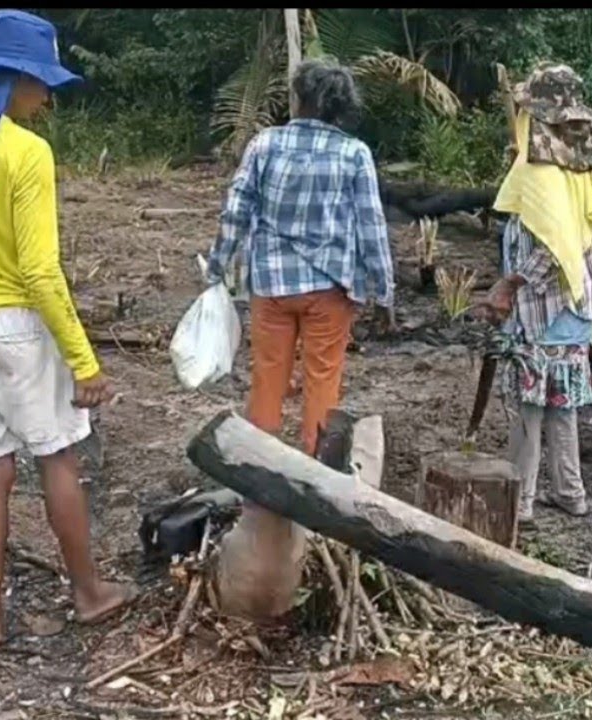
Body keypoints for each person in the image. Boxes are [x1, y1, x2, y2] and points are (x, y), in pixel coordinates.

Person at [0, 9, 136, 646]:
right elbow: (39, 270)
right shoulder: (26, 153)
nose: (48, 98)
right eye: (42, 84)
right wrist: (84, 361)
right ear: (11, 79)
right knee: (56, 456)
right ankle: (89, 593)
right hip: (16, 329)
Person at [205, 57, 395, 620]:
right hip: (330, 290)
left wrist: (218, 267)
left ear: (300, 99)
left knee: (266, 380)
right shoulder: (353, 154)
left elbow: (237, 209)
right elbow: (370, 225)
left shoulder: (265, 145)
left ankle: (256, 483)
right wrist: (383, 289)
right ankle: (315, 487)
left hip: (271, 286)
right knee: (322, 385)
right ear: (338, 105)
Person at [480, 62, 592, 524]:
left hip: (541, 308)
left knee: (529, 409)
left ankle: (521, 500)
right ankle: (570, 492)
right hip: (573, 306)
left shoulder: (541, 174)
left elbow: (551, 250)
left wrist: (509, 285)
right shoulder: (581, 166)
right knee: (561, 406)